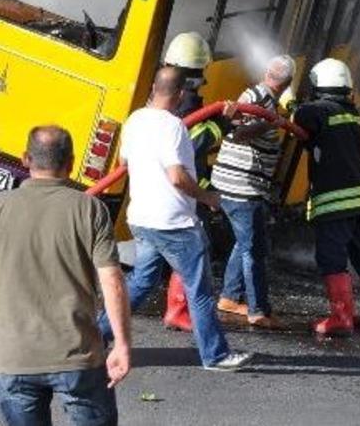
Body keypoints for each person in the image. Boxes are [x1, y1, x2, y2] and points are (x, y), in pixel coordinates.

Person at [0, 125, 131, 425]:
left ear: (26, 158)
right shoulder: (90, 209)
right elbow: (113, 283)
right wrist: (122, 343)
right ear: (72, 162)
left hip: (16, 358)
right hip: (78, 357)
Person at [98, 66, 251, 372]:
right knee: (200, 290)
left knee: (143, 281)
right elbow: (177, 177)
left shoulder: (135, 120)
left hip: (141, 217)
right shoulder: (173, 126)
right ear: (181, 94)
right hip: (173, 222)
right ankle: (216, 355)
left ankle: (95, 334)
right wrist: (209, 198)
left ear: (154, 87)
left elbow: (124, 162)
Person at [292, 58, 360, 338]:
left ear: (318, 84)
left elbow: (303, 119)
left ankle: (341, 318)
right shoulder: (352, 113)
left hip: (335, 203)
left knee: (331, 258)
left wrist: (288, 103)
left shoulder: (315, 111)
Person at [210, 55, 296, 328]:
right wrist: (271, 122)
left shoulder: (266, 99)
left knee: (244, 242)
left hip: (241, 187)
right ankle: (258, 311)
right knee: (254, 248)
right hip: (241, 189)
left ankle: (230, 297)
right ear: (290, 82)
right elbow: (238, 132)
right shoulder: (255, 96)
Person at [160, 32, 220, 332]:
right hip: (184, 189)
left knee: (146, 268)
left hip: (156, 189)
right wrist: (220, 127)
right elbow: (192, 141)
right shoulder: (190, 107)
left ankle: (107, 325)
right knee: (192, 251)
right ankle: (178, 310)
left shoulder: (159, 95)